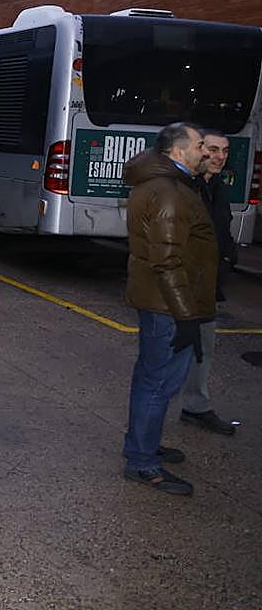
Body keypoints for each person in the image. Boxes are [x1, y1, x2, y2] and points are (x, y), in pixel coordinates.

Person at [122, 122, 218, 496]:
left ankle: (142, 444)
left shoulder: (166, 184)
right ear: (177, 151)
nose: (205, 151)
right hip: (168, 305)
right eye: (199, 145)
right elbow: (167, 261)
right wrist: (186, 317)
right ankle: (143, 463)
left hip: (159, 301)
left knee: (151, 378)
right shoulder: (169, 192)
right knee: (159, 383)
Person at [178, 130, 238, 437]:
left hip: (208, 284)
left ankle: (195, 406)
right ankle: (146, 435)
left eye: (225, 151)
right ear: (198, 150)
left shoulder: (216, 186)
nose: (219, 156)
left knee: (203, 348)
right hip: (183, 285)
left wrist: (228, 258)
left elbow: (221, 230)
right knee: (167, 355)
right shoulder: (184, 187)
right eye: (213, 149)